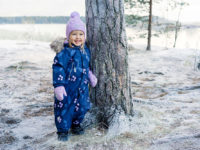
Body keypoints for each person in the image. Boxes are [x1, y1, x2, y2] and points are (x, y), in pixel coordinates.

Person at [52, 11, 97, 141]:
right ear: (68, 36)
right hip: (67, 88)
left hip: (82, 88)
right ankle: (63, 131)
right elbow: (58, 68)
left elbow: (85, 65)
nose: (78, 37)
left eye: (81, 34)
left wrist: (90, 75)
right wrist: (59, 86)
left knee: (82, 107)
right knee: (65, 109)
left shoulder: (85, 50)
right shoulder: (64, 52)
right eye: (74, 34)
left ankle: (76, 125)